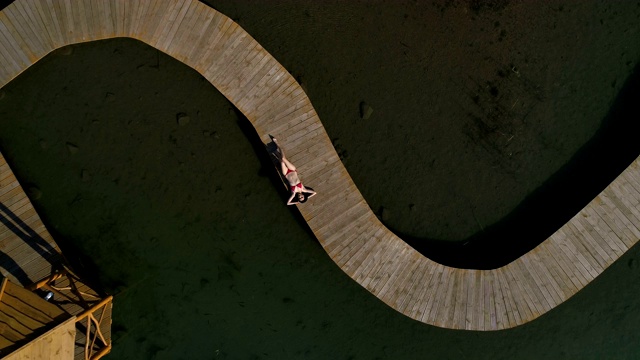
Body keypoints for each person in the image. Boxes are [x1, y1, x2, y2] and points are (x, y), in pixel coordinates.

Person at [270, 135, 317, 205]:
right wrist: (307, 198)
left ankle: (276, 153)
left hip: (286, 174)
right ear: (303, 195)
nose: (300, 197)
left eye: (300, 198)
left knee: (281, 161)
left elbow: (288, 203)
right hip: (293, 170)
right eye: (302, 197)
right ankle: (277, 144)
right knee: (283, 159)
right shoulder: (304, 189)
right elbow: (314, 193)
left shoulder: (293, 194)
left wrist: (297, 202)